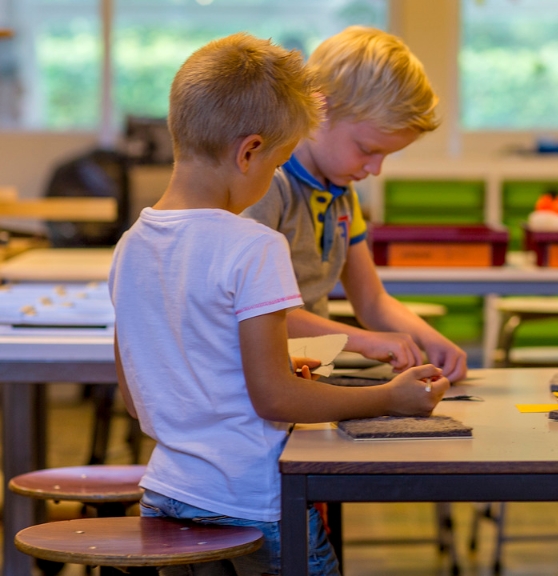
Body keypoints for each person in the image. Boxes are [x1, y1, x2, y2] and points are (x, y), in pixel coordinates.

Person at [110, 33, 450, 576]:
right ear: (249, 152)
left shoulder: (130, 245)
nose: (275, 176)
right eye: (277, 163)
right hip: (256, 502)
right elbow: (274, 400)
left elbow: (136, 394)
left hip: (167, 493)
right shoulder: (254, 245)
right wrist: (388, 398)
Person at [242, 26, 468, 381]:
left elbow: (372, 301)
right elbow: (258, 312)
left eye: (386, 155)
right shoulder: (267, 186)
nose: (375, 169)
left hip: (303, 376)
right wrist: (361, 341)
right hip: (255, 384)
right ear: (319, 107)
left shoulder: (341, 195)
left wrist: (430, 340)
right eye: (367, 149)